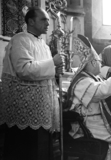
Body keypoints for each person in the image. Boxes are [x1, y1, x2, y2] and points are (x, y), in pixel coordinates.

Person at [0, 7, 65, 160]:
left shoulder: (44, 44)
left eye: (49, 21)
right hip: (25, 109)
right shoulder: (20, 39)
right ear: (30, 21)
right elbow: (23, 70)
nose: (48, 24)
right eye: (43, 20)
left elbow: (46, 73)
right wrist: (52, 63)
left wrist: (56, 70)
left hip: (42, 109)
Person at [67, 34, 111, 160]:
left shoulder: (92, 77)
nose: (100, 65)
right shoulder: (81, 81)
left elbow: (106, 89)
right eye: (99, 62)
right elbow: (101, 91)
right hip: (87, 124)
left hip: (96, 120)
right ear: (91, 62)